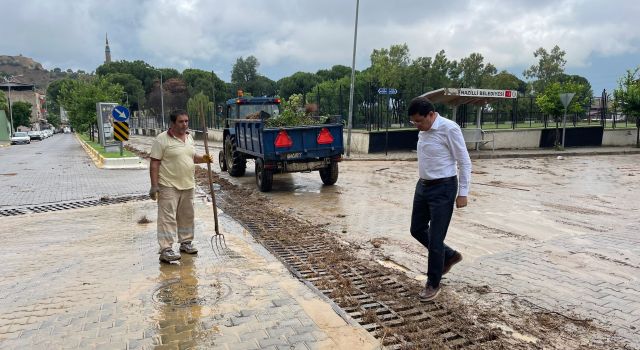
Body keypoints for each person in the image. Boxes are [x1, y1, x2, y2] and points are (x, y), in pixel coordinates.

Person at [407, 97, 472, 301]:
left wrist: (463, 193)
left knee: (435, 239)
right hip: (423, 186)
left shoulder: (449, 129)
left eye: (420, 121)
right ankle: (450, 255)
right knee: (416, 229)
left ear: (431, 115)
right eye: (414, 122)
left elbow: (464, 161)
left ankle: (433, 283)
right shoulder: (424, 130)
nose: (417, 126)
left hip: (444, 188)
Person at [149, 109, 212, 263]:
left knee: (187, 216)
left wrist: (203, 158)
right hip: (168, 185)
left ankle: (186, 243)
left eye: (186, 121)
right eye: (181, 121)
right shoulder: (161, 140)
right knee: (167, 218)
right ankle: (166, 249)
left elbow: (191, 157)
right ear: (172, 123)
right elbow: (154, 163)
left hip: (188, 184)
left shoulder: (189, 138)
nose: (184, 124)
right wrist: (154, 185)